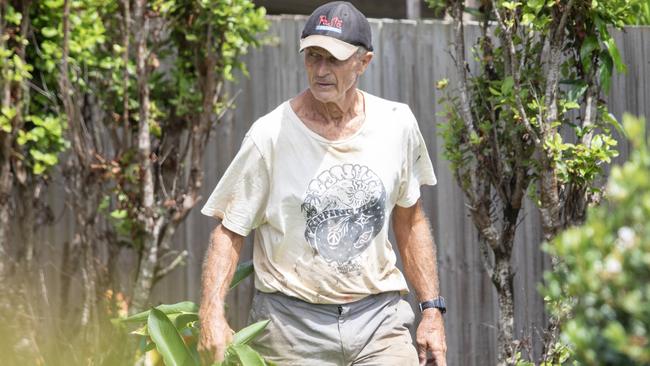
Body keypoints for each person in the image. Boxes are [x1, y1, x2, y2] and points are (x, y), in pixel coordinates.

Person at [197, 1, 447, 365]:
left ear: (364, 63)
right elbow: (229, 230)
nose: (320, 69)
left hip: (378, 321)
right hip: (291, 328)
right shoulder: (270, 136)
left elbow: (410, 219)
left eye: (333, 59)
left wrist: (431, 311)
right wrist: (211, 314)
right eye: (313, 56)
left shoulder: (397, 124)